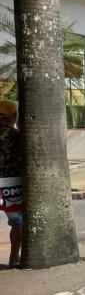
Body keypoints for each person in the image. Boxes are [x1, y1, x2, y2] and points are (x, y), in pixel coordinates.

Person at [0, 100, 22, 268]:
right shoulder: (15, 136)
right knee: (18, 222)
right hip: (10, 184)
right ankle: (14, 258)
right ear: (14, 116)